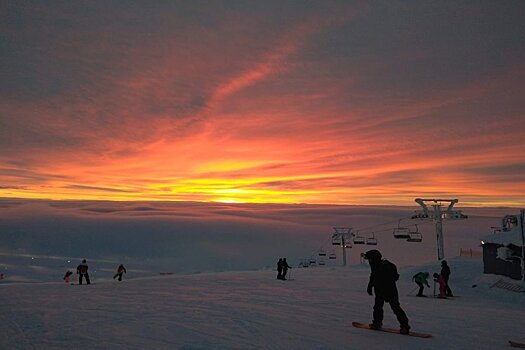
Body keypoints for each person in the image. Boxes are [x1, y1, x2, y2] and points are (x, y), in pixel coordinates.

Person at [364, 249, 410, 334]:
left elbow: (394, 277)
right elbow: (373, 276)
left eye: (370, 259)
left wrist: (383, 282)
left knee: (395, 308)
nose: (369, 261)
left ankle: (405, 326)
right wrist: (370, 286)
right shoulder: (375, 266)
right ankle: (377, 322)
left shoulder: (386, 266)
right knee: (377, 307)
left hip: (390, 291)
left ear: (374, 258)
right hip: (379, 291)